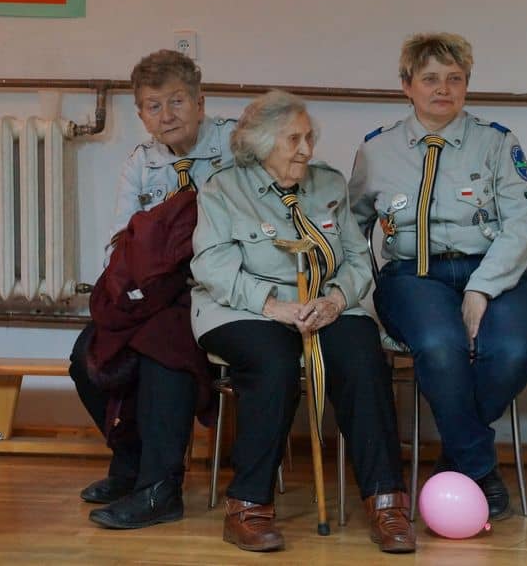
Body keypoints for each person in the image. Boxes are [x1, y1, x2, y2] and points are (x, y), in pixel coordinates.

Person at [191, 90, 415, 553]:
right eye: (293, 139)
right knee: (273, 363)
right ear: (260, 142)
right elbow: (213, 267)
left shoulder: (327, 185)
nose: (306, 150)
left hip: (321, 302)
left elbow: (357, 258)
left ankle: (386, 501)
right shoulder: (222, 189)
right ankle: (248, 506)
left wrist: (335, 300)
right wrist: (274, 306)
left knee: (363, 356)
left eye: (309, 137)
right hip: (242, 307)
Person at [348, 32, 527, 521]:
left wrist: (482, 287)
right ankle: (478, 468)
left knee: (512, 351)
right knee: (440, 347)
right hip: (414, 276)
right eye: (430, 78)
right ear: (406, 85)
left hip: (493, 271)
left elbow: (521, 221)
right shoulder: (377, 149)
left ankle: (455, 456)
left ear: (467, 84)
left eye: (455, 78)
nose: (443, 89)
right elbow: (351, 227)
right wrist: (348, 287)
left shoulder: (496, 142)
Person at [68, 49, 236, 529]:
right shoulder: (141, 162)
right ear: (141, 114)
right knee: (87, 357)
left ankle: (161, 490)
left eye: (177, 101)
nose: (167, 115)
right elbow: (120, 240)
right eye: (154, 106)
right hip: (154, 292)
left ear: (200, 103)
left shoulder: (235, 146)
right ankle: (132, 463)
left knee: (165, 350)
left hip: (215, 289)